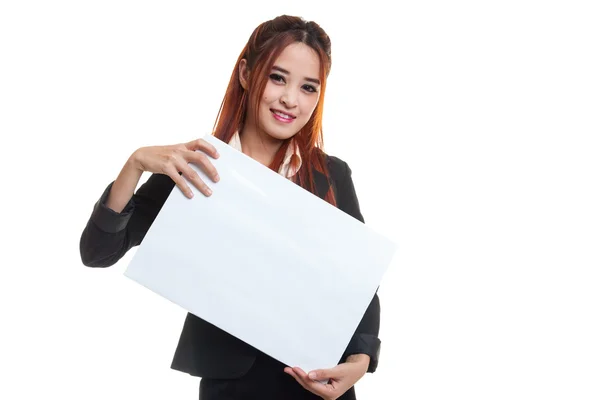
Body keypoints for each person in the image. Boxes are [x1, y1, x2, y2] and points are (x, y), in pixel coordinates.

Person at [79, 14, 381, 400]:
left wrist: (361, 360)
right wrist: (135, 163)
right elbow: (97, 252)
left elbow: (359, 283)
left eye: (309, 87)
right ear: (245, 73)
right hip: (231, 385)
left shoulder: (330, 174)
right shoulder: (193, 164)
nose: (291, 99)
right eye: (277, 77)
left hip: (317, 384)